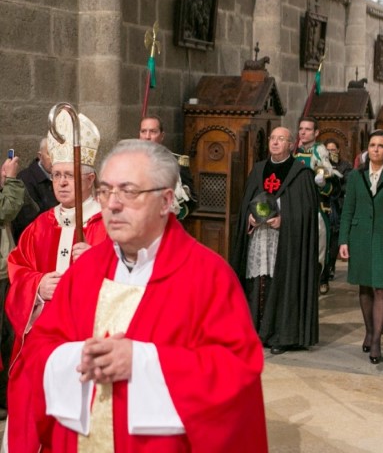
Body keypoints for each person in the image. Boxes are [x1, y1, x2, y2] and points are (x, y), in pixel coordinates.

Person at [17, 139, 268, 452]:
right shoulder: (84, 272)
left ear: (165, 201)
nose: (113, 204)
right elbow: (38, 349)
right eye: (106, 191)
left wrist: (142, 362)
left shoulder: (208, 277)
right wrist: (74, 358)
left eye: (129, 191)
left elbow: (237, 373)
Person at [4, 112, 108, 452]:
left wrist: (93, 261)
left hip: (88, 339)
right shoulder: (41, 224)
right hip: (44, 336)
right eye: (58, 175)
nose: (62, 183)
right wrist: (37, 285)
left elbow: (127, 280)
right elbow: (17, 264)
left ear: (90, 180)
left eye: (71, 176)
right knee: (27, 388)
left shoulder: (106, 226)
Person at [231, 127, 319, 355]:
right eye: (273, 138)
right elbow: (245, 203)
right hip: (259, 237)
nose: (276, 142)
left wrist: (285, 220)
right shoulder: (259, 169)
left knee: (281, 282)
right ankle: (254, 332)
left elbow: (307, 213)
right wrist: (248, 218)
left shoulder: (301, 173)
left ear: (291, 145)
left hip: (286, 241)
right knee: (257, 280)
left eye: (281, 139)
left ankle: (281, 334)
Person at [339, 130, 383, 363]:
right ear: (367, 149)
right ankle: (369, 330)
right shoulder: (356, 176)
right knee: (366, 288)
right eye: (372, 145)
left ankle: (377, 340)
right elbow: (348, 210)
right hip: (360, 236)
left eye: (380, 145)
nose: (376, 149)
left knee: (382, 288)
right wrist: (343, 240)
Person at [294, 117, 341, 295]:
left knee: (318, 249)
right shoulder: (294, 153)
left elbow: (334, 189)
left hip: (317, 208)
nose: (303, 132)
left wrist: (322, 184)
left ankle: (319, 279)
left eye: (307, 129)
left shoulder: (321, 153)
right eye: (301, 129)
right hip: (296, 209)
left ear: (316, 133)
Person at [0, 155, 25, 421]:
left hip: (4, 273)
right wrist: (14, 180)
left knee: (8, 338)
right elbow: (5, 211)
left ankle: (7, 397)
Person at [139, 115, 197, 218]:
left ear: (162, 136)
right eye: (143, 131)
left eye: (153, 132)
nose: (147, 136)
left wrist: (173, 213)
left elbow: (192, 201)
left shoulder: (176, 162)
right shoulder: (128, 162)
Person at [11, 138, 57, 243]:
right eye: (50, 154)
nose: (55, 159)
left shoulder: (62, 177)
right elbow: (26, 221)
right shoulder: (25, 179)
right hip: (35, 240)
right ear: (40, 156)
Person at [324, 139, 353, 280]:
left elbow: (348, 185)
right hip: (324, 202)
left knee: (335, 236)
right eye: (328, 150)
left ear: (338, 150)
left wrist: (335, 182)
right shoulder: (321, 164)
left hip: (338, 204)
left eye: (333, 150)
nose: (330, 153)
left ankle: (331, 265)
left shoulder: (345, 165)